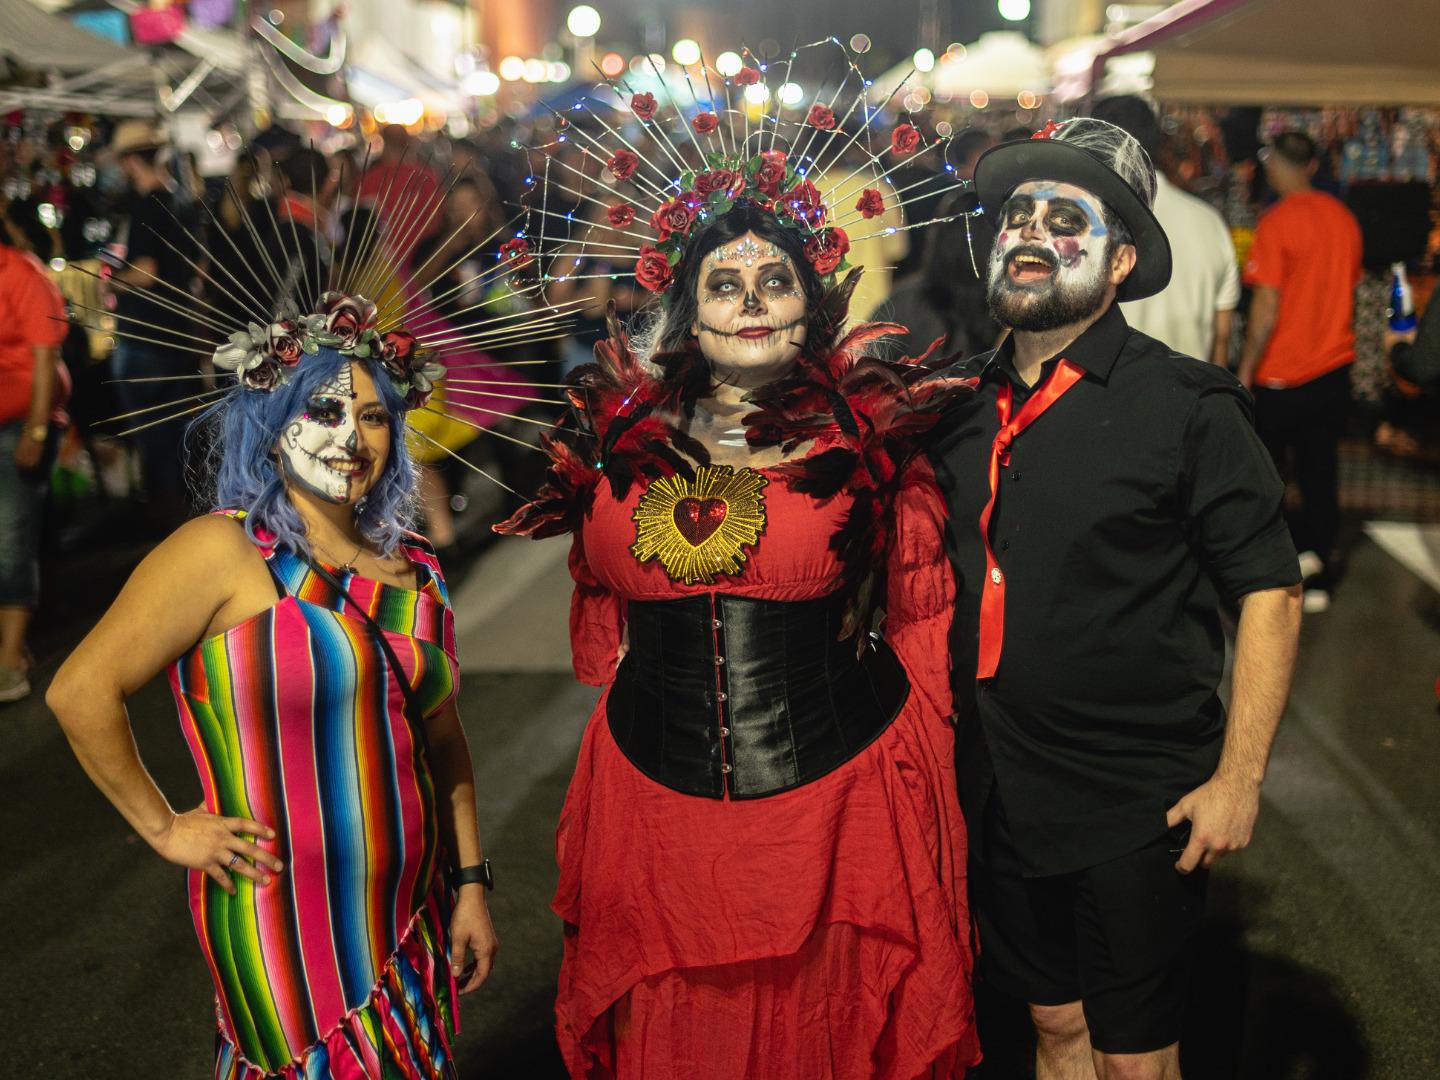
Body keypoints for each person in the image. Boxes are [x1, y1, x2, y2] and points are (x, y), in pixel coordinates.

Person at [496, 62, 982, 1076]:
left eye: (775, 280)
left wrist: (938, 788)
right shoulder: (614, 444)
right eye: (725, 282)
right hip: (653, 807)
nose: (752, 301)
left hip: (839, 805)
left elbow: (924, 614)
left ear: (812, 300)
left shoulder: (871, 441)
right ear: (688, 305)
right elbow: (597, 619)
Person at [927, 118, 1304, 1080]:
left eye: (1066, 217)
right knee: (1052, 1031)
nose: (1030, 232)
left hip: (1137, 801)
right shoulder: (955, 406)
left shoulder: (1189, 408)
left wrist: (1240, 778)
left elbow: (1269, 590)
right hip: (996, 789)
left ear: (1122, 257)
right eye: (1016, 213)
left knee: (1136, 1059)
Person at [47, 294, 498, 1073]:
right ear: (270, 420)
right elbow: (80, 690)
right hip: (281, 917)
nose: (350, 437)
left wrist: (468, 883)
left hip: (409, 910)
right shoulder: (223, 552)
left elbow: (445, 744)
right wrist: (163, 827)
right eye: (322, 410)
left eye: (373, 417)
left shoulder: (415, 567)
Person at [1238, 130, 1363, 612]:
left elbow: (1266, 305)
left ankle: (1273, 573)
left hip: (1282, 374)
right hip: (1333, 366)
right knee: (1320, 470)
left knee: (1269, 476)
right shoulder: (1344, 219)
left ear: (1275, 166)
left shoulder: (1276, 223)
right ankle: (1323, 568)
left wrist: (1245, 369)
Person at [1092, 95, 1241, 367]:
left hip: (1104, 397)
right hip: (1190, 396)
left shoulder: (1088, 221)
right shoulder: (1210, 222)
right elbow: (1222, 334)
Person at [102, 120, 200, 523]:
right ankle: (189, 517)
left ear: (128, 162)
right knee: (179, 433)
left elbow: (145, 272)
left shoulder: (146, 205)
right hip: (177, 333)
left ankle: (168, 524)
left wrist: (111, 282)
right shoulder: (181, 201)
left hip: (146, 335)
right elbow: (197, 268)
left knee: (155, 435)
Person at [0, 198, 69, 702]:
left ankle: (9, 662)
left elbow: (46, 356)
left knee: (10, 541)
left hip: (19, 425)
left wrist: (37, 431)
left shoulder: (21, 272)